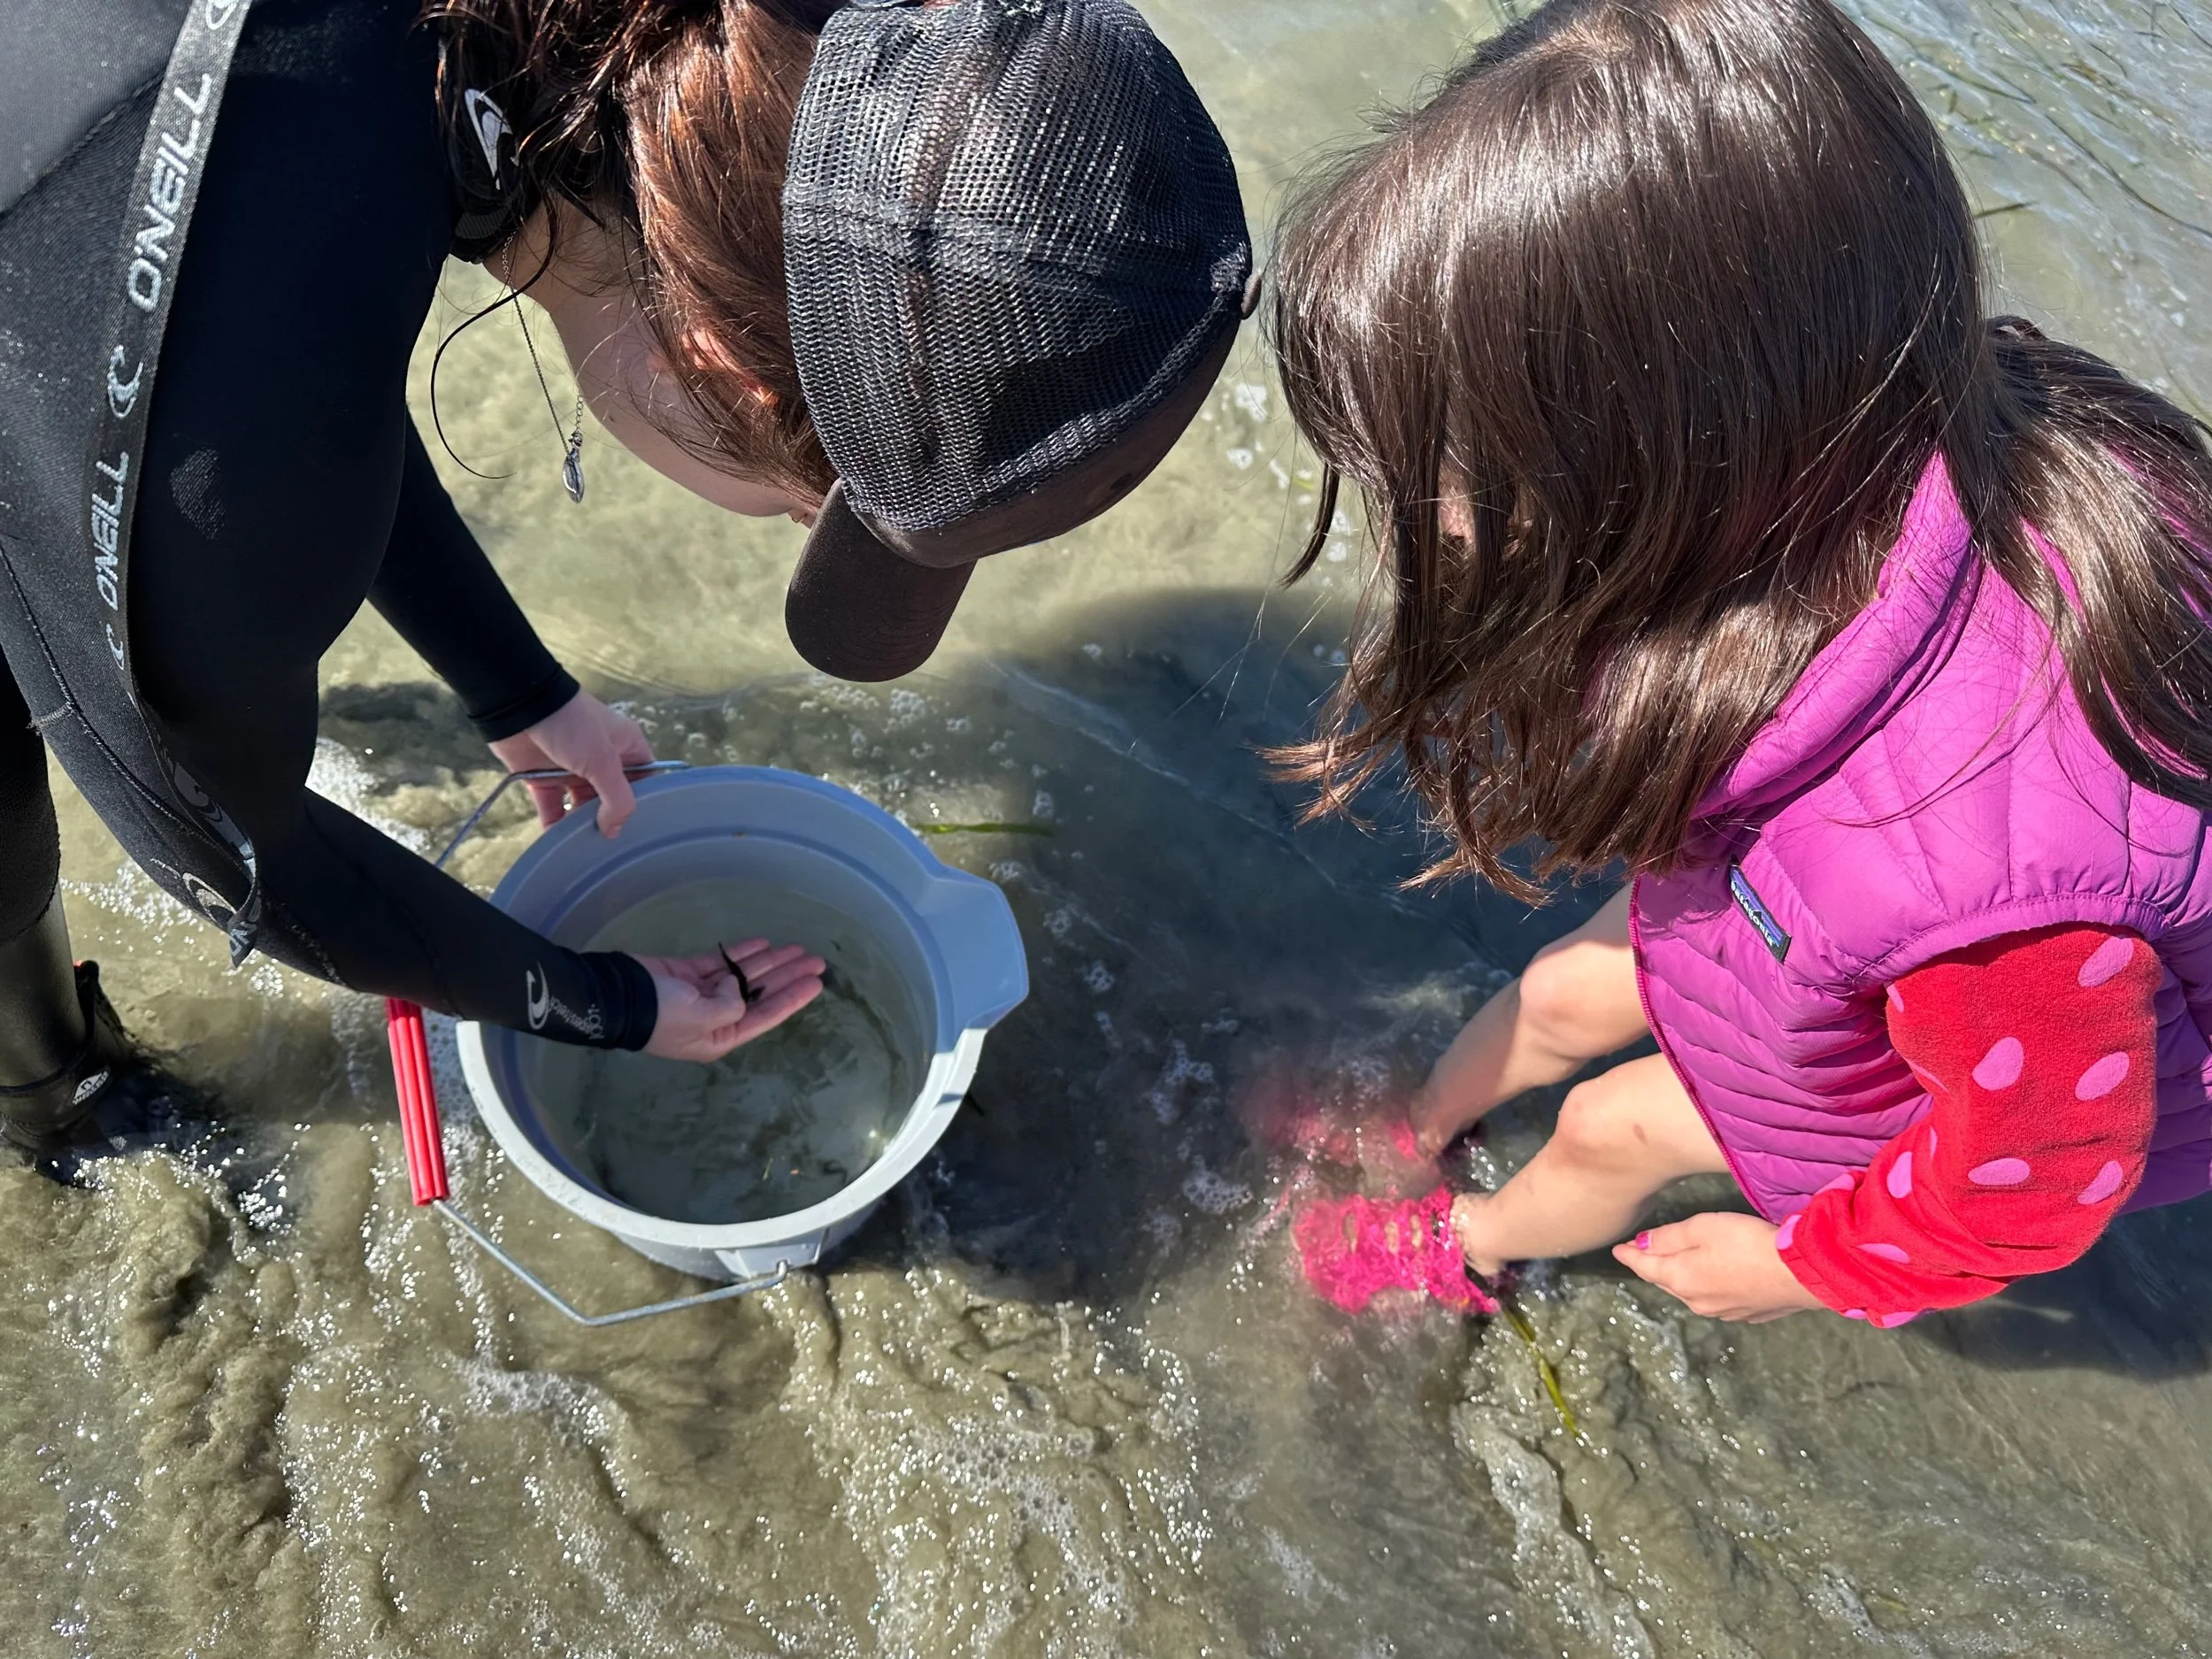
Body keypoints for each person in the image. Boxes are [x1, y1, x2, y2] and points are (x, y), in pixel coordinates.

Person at [0, 0, 1251, 1159]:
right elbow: (234, 855)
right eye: (815, 510)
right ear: (718, 369)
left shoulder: (471, 70)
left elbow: (294, 379)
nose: (797, 526)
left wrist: (518, 689)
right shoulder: (215, 453)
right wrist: (611, 1002)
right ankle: (54, 1103)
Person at [1267, 0, 2212, 1325]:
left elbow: (2046, 1169)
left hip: (1912, 1028)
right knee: (1560, 990)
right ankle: (1419, 1124)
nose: (1438, 520)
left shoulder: (2008, 905)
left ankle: (1468, 1245)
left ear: (1674, 451)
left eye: (1460, 469)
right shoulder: (1861, 443)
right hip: (1807, 897)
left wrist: (1810, 1266)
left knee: (1610, 1126)